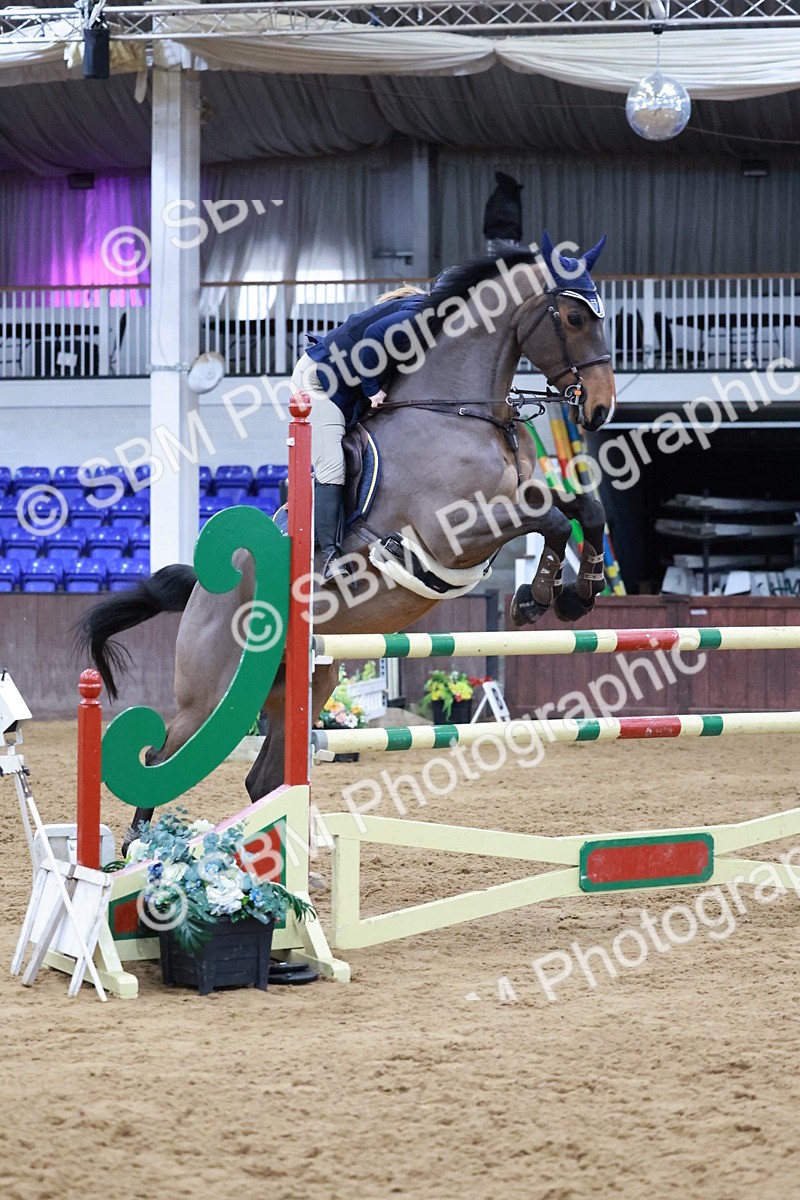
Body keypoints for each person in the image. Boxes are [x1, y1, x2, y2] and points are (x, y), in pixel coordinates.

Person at [291, 284, 429, 581]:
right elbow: (373, 338)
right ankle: (329, 556)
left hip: (342, 383)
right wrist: (373, 390)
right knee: (333, 465)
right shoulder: (423, 312)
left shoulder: (423, 311)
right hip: (317, 382)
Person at [483, 171, 525, 257]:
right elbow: (512, 218)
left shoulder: (499, 197)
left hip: (498, 235)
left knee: (497, 263)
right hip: (506, 236)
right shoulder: (508, 198)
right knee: (507, 263)